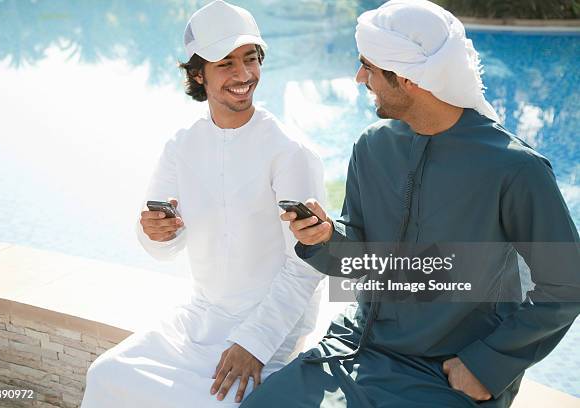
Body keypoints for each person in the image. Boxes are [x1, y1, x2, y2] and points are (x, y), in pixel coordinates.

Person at [240, 0, 580, 407]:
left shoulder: (514, 168)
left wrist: (486, 364)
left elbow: (567, 282)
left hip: (446, 371)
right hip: (354, 347)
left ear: (409, 79)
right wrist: (326, 238)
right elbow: (361, 258)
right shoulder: (372, 146)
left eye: (368, 66)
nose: (358, 77)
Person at [80, 1, 325, 407]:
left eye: (250, 59)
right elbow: (160, 244)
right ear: (199, 74)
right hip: (198, 319)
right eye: (226, 63)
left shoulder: (289, 152)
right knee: (105, 375)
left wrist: (255, 342)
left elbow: (306, 263)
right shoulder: (181, 146)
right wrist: (157, 233)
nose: (244, 75)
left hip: (271, 329)